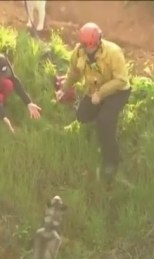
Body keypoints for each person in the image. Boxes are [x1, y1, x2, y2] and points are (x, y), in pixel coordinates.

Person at [56, 22, 132, 184]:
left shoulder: (114, 52)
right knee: (82, 116)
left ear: (99, 42)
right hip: (94, 91)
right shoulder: (78, 52)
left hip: (117, 91)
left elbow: (121, 80)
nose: (89, 50)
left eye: (92, 46)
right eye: (86, 46)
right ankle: (104, 115)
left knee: (105, 123)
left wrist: (101, 93)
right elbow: (74, 72)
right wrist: (64, 88)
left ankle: (111, 160)